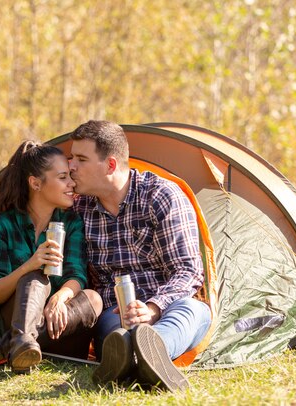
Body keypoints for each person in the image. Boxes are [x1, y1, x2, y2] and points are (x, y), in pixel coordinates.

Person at [69, 120, 211, 392]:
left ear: (110, 165)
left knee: (193, 311)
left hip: (171, 304)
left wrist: (153, 307)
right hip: (116, 311)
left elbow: (188, 270)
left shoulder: (161, 195)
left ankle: (149, 352)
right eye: (72, 157)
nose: (71, 166)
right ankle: (138, 359)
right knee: (115, 335)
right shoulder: (79, 209)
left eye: (81, 159)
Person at [0, 140, 102, 374]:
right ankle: (19, 342)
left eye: (70, 177)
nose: (71, 184)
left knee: (94, 298)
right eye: (62, 177)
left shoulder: (70, 222)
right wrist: (29, 265)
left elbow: (76, 274)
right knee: (34, 279)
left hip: (57, 323)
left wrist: (61, 297)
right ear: (35, 183)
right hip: (8, 316)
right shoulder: (2, 224)